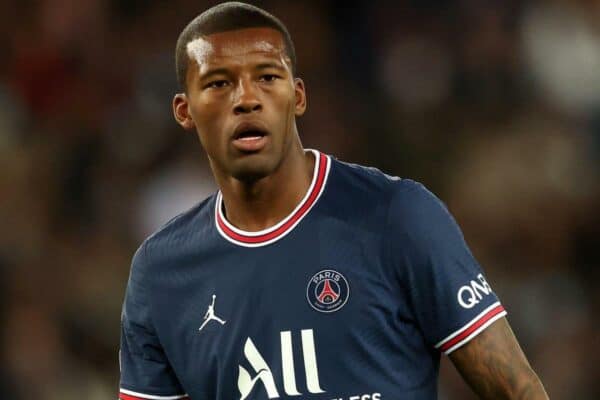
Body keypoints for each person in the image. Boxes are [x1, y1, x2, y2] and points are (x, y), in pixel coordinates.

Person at [118, 2, 548, 399]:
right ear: (184, 110)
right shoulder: (161, 272)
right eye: (218, 83)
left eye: (267, 77)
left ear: (298, 96)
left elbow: (516, 389)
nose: (247, 99)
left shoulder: (395, 215)